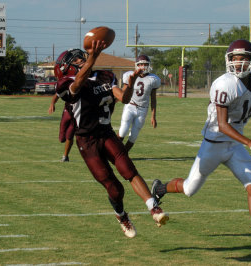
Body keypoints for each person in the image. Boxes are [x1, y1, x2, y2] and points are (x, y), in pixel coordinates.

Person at [151, 39, 251, 254]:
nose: (239, 63)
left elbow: (247, 101)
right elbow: (222, 125)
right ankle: (160, 188)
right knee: (190, 189)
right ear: (229, 60)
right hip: (215, 144)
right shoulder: (224, 83)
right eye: (235, 58)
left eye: (244, 58)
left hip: (236, 144)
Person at [54, 42, 169, 238]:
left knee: (128, 169)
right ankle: (121, 215)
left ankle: (154, 208)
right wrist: (93, 57)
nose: (82, 60)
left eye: (83, 57)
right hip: (87, 141)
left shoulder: (104, 76)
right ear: (67, 68)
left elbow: (123, 98)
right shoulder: (66, 83)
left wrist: (130, 85)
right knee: (114, 188)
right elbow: (79, 83)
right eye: (78, 60)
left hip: (106, 133)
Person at [118, 55, 161, 151]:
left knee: (133, 136)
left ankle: (123, 155)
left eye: (145, 64)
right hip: (130, 106)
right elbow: (122, 93)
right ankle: (112, 152)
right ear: (137, 65)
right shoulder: (129, 75)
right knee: (123, 131)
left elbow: (153, 99)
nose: (143, 66)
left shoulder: (153, 79)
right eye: (141, 64)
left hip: (143, 109)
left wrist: (153, 116)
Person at [48, 94, 75, 162]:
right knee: (62, 138)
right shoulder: (67, 85)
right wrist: (52, 104)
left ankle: (65, 156)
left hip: (77, 113)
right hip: (68, 110)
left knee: (69, 135)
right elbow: (57, 95)